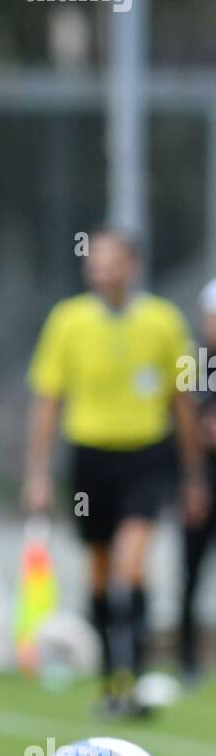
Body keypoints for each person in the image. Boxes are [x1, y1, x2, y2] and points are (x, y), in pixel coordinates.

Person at [23, 226, 207, 715]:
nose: (100, 267)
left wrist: (193, 477)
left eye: (110, 259)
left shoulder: (163, 322)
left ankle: (141, 674)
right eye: (95, 259)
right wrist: (38, 474)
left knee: (132, 561)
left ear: (133, 265)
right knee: (101, 572)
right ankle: (112, 681)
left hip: (147, 457)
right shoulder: (68, 321)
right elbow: (48, 399)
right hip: (90, 459)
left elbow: (182, 402)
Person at [179, 276, 216, 677]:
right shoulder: (193, 362)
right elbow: (181, 416)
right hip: (202, 479)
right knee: (191, 568)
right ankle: (187, 658)